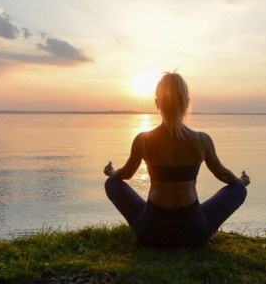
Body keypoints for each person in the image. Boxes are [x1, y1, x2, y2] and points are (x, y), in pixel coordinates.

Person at [104, 72, 250, 247]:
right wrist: (240, 182)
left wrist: (112, 172)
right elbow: (224, 175)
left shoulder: (143, 140)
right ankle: (200, 226)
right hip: (193, 233)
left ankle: (142, 224)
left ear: (157, 102)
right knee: (238, 190)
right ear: (187, 103)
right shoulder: (202, 141)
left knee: (111, 183)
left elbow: (125, 174)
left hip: (151, 233)